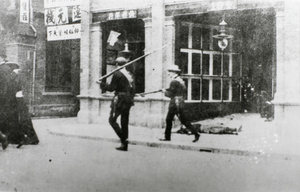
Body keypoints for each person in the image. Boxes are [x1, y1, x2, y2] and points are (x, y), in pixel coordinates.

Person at [100, 57, 135, 151]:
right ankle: (124, 144)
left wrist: (101, 84)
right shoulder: (129, 74)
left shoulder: (117, 74)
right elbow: (133, 90)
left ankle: (124, 139)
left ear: (116, 64)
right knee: (124, 121)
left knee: (112, 120)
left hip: (120, 100)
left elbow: (111, 88)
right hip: (128, 100)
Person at [160, 65, 200, 142]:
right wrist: (166, 89)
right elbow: (176, 90)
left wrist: (164, 91)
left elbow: (171, 94)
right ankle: (196, 134)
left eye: (170, 72)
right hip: (180, 102)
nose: (168, 73)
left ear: (174, 72)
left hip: (175, 103)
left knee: (170, 119)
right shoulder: (179, 80)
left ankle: (167, 137)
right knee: (181, 120)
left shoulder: (174, 81)